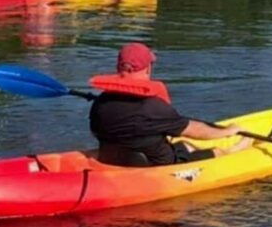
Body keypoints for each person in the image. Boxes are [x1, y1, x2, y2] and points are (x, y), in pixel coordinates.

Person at [89, 42, 254, 167]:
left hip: (117, 160)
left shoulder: (101, 102)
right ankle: (239, 149)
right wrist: (228, 131)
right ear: (147, 69)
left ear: (118, 66)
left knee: (186, 146)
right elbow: (194, 131)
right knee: (216, 151)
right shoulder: (152, 107)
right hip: (161, 166)